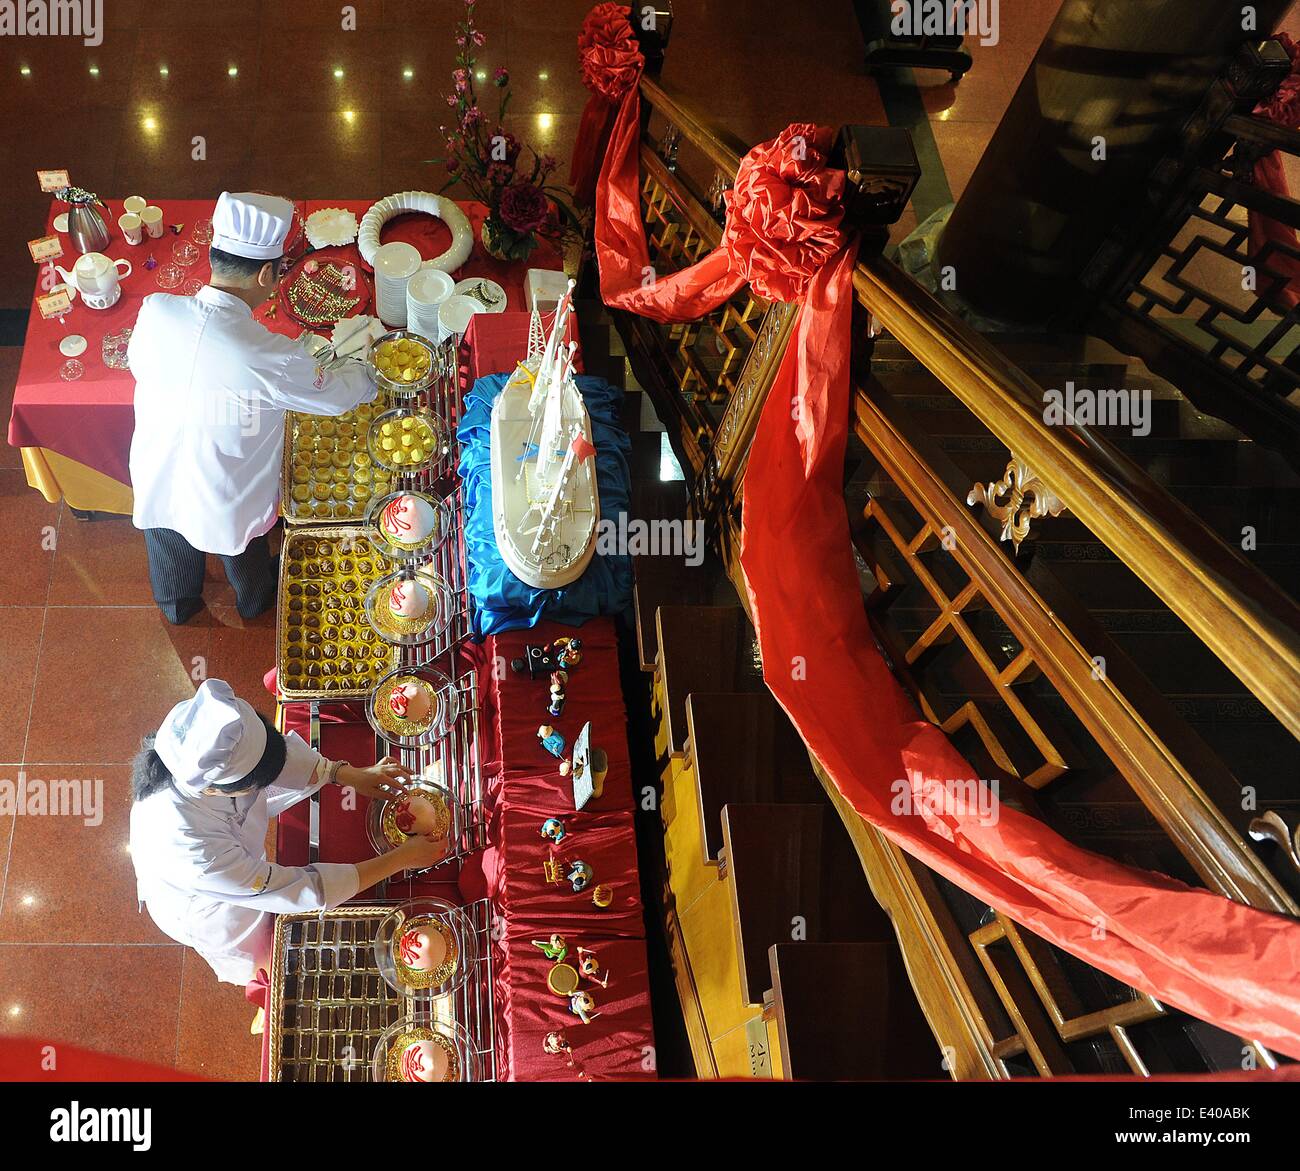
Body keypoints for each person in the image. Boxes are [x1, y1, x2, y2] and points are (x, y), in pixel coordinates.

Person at [127, 191, 376, 624]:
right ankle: (253, 601)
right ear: (265, 274)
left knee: (166, 531)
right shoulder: (271, 355)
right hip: (228, 493)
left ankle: (177, 606)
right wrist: (370, 375)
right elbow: (336, 397)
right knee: (242, 549)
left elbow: (139, 367)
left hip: (157, 466)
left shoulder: (157, 310)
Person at [129, 679, 447, 987]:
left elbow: (272, 756)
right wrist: (401, 859)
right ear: (215, 789)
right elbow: (298, 890)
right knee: (269, 954)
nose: (263, 786)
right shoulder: (194, 852)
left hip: (221, 849)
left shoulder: (208, 737)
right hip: (206, 908)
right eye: (256, 785)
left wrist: (347, 774)